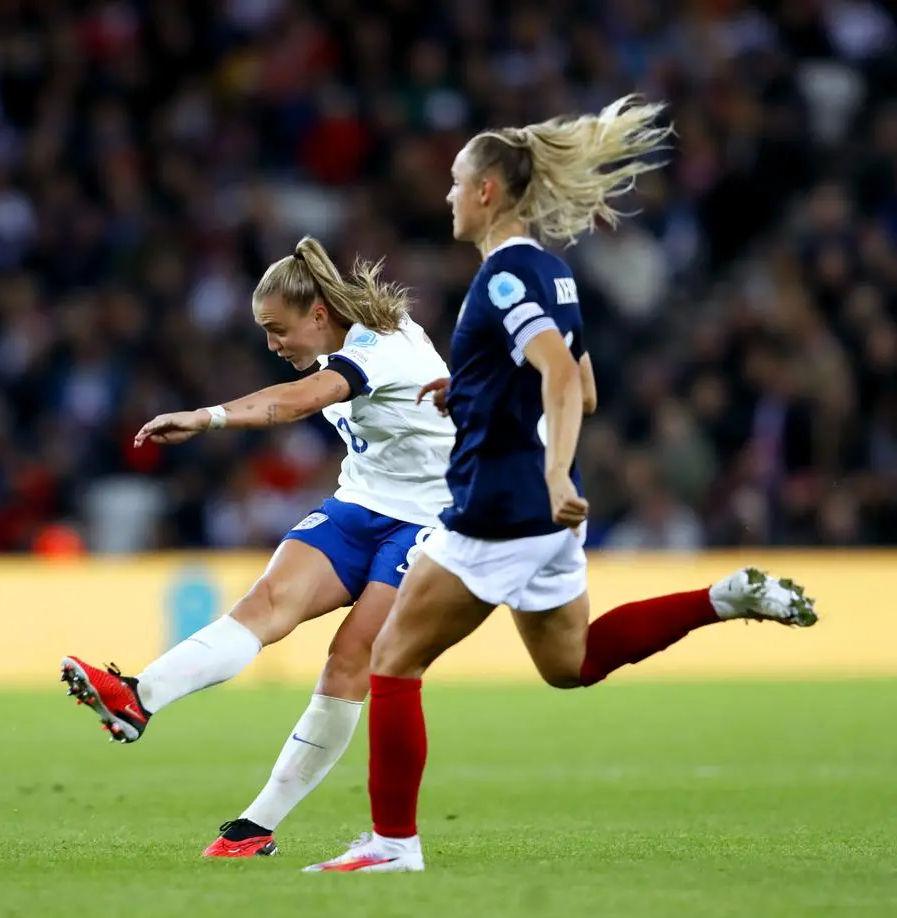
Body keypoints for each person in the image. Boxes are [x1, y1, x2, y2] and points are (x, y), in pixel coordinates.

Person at [303, 95, 818, 874]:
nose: (445, 196)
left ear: (486, 192)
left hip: (502, 506)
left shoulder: (506, 279)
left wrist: (546, 468)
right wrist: (471, 392)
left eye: (454, 182)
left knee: (393, 661)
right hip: (546, 515)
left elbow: (556, 378)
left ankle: (392, 845)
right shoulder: (554, 272)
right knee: (569, 663)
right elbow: (586, 383)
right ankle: (723, 599)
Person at [60, 235, 456, 858]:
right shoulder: (347, 346)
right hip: (360, 505)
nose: (272, 345)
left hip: (433, 519)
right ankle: (138, 697)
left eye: (278, 330)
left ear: (319, 315)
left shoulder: (380, 349)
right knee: (266, 602)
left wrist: (207, 416)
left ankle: (259, 823)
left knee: (349, 657)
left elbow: (299, 402)